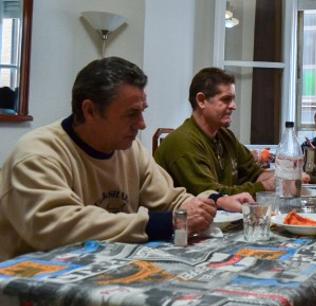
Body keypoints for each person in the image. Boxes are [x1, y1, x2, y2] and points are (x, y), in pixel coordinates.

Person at [0, 57, 252, 261]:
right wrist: (160, 224)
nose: (141, 124)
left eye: (142, 111)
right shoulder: (37, 155)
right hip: (28, 291)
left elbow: (171, 199)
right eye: (132, 114)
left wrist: (212, 202)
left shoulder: (129, 149)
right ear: (89, 110)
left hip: (100, 275)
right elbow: (58, 228)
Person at [154, 68, 275, 196]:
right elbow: (212, 195)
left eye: (233, 99)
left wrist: (285, 177)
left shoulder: (226, 136)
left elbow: (255, 174)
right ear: (201, 101)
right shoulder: (182, 142)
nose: (234, 106)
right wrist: (266, 186)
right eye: (226, 99)